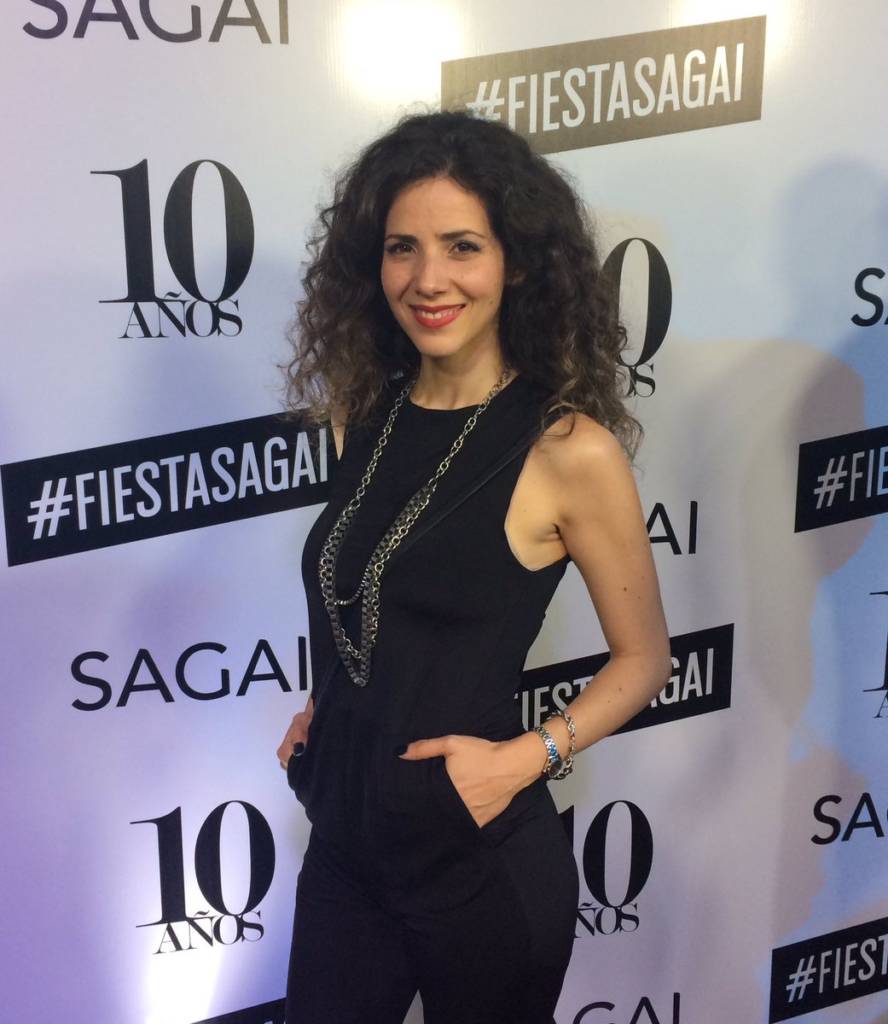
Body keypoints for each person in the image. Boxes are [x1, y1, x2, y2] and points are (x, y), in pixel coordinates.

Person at [275, 107, 671, 1024]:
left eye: (462, 247)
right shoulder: (363, 414)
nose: (428, 279)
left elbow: (645, 659)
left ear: (517, 263)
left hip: (478, 860)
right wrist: (328, 710)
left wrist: (527, 759)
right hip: (344, 849)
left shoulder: (566, 449)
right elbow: (367, 596)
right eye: (402, 249)